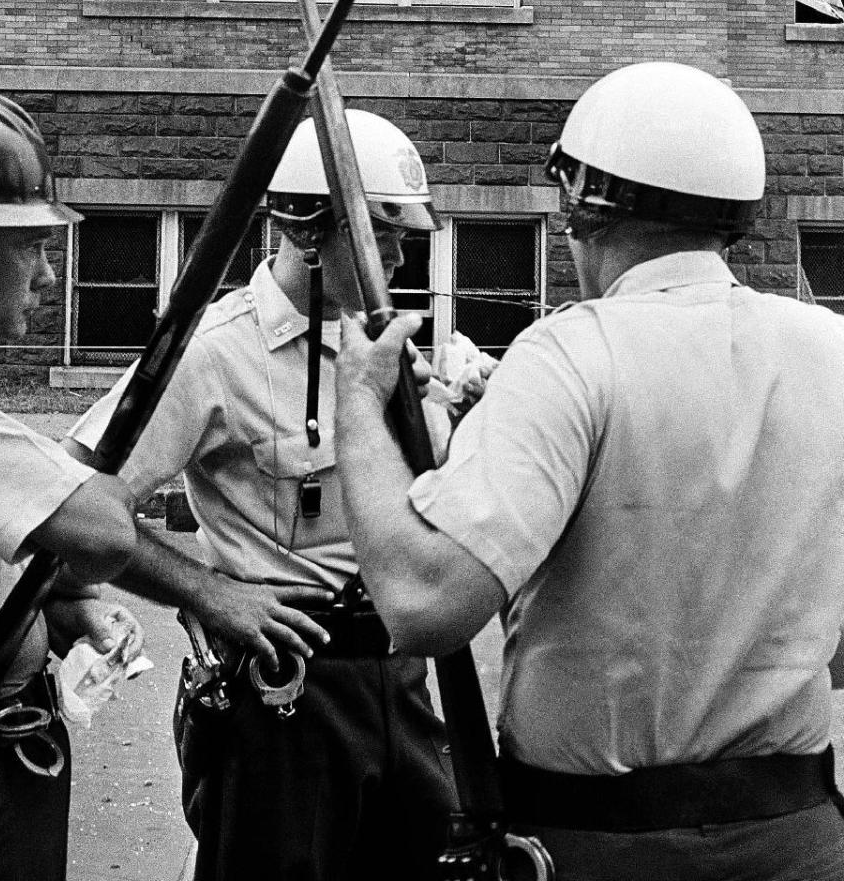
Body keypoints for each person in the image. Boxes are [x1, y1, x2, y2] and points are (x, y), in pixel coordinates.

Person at [333, 61, 844, 881]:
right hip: (799, 837)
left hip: (599, 845)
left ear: (583, 206)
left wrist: (359, 403)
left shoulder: (572, 351)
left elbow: (424, 604)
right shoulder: (830, 350)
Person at [0, 89, 323, 881]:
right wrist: (122, 528)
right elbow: (98, 526)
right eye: (29, 248)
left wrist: (62, 605)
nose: (51, 278)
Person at [67, 109, 458, 881]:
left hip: (398, 671)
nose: (401, 253)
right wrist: (206, 591)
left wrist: (444, 422)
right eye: (382, 235)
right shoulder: (215, 351)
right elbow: (75, 500)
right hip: (283, 690)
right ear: (310, 232)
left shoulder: (378, 345)